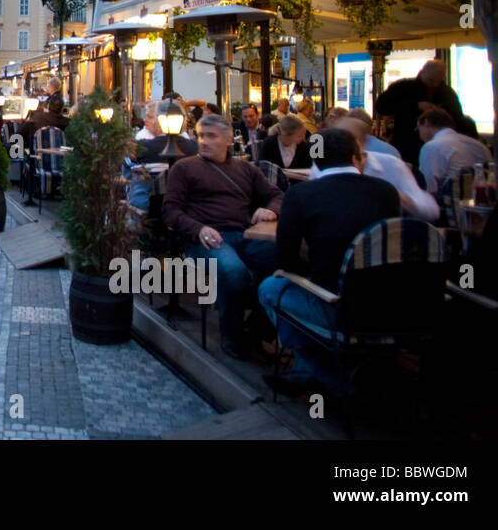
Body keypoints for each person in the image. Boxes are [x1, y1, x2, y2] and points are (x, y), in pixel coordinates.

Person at [258, 128, 402, 393]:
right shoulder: (387, 191)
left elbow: (286, 261)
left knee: (271, 288)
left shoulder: (301, 195)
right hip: (393, 305)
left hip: (338, 307)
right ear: (357, 158)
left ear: (315, 161)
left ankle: (322, 375)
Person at [164, 113, 284, 360]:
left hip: (245, 234)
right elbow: (170, 211)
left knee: (287, 261)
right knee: (234, 272)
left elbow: (277, 195)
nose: (204, 142)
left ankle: (257, 329)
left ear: (229, 139)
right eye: (201, 136)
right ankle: (233, 336)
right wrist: (198, 229)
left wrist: (270, 209)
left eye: (211, 136)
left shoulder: (245, 169)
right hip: (206, 238)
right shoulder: (184, 168)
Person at [313, 117, 439, 222]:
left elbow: (431, 211)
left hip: (380, 240)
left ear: (362, 143)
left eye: (345, 141)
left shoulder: (390, 165)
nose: (339, 145)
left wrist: (402, 198)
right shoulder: (321, 166)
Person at [374, 60, 465, 166]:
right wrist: (415, 106)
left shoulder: (447, 93)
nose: (434, 84)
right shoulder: (402, 87)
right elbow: (381, 107)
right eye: (430, 80)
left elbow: (458, 119)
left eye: (438, 81)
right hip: (407, 144)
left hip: (439, 147)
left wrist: (441, 113)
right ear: (422, 72)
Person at [417, 106, 491, 197]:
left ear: (426, 123)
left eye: (418, 129)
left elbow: (428, 187)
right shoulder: (479, 146)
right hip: (483, 203)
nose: (420, 136)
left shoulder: (431, 147)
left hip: (452, 207)